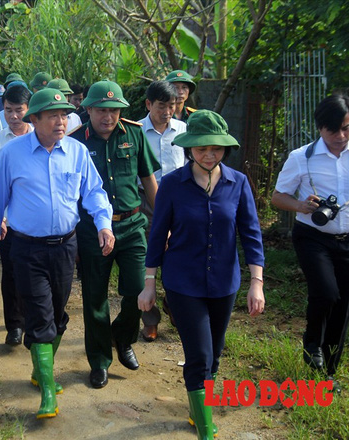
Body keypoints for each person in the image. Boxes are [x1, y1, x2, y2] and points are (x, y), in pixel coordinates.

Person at [0, 88, 115, 418]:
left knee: (58, 318)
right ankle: (47, 392)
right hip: (26, 247)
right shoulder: (13, 154)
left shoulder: (77, 152)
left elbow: (94, 192)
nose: (61, 121)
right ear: (35, 119)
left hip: (65, 247)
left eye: (64, 115)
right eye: (53, 115)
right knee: (41, 320)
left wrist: (103, 223)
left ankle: (38, 369)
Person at [138, 110, 265, 439]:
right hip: (183, 282)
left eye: (216, 149)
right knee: (200, 354)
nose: (209, 155)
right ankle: (206, 430)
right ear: (189, 148)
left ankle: (199, 409)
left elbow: (251, 234)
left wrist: (257, 284)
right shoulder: (171, 185)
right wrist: (149, 284)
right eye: (201, 148)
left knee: (216, 353)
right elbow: (157, 235)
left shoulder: (237, 183)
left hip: (224, 283)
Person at [70, 80, 159, 389]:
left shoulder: (134, 134)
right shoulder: (73, 142)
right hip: (92, 229)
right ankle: (99, 362)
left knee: (138, 290)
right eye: (101, 110)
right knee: (95, 298)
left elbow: (148, 180)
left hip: (133, 225)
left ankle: (122, 339)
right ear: (89, 109)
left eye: (114, 111)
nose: (108, 117)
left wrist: (161, 222)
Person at [271, 94, 349, 386]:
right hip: (313, 237)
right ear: (320, 127)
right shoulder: (301, 158)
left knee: (343, 306)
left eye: (346, 127)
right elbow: (277, 197)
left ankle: (329, 372)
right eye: (333, 130)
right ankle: (311, 341)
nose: (340, 136)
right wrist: (301, 206)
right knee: (327, 292)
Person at [137, 80, 187, 341]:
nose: (167, 111)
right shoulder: (136, 132)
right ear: (148, 105)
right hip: (145, 203)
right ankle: (150, 319)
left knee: (178, 256)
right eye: (161, 106)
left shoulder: (184, 130)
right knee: (149, 258)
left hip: (179, 203)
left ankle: (175, 304)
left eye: (172, 105)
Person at [0, 84, 34, 346]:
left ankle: (33, 321)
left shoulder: (42, 137)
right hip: (8, 222)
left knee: (34, 274)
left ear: (29, 110)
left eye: (19, 111)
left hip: (35, 222)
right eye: (8, 111)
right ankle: (14, 325)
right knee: (12, 274)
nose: (13, 117)